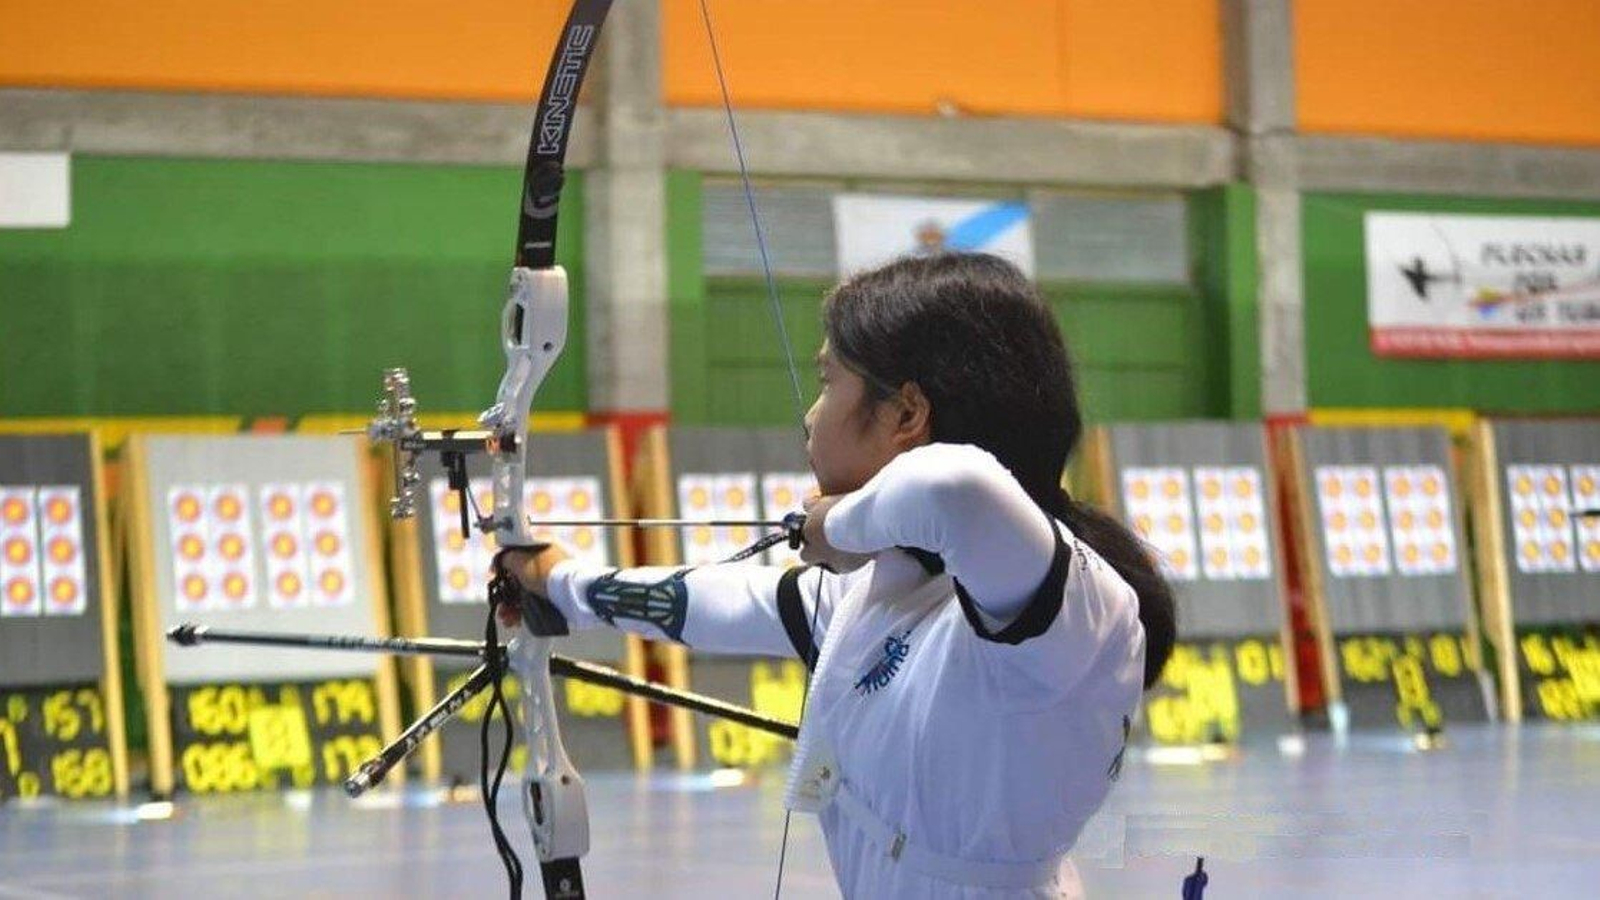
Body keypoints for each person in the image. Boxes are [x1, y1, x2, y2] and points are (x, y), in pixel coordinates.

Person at [496, 252, 1176, 898]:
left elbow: (957, 487)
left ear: (907, 414)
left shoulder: (1065, 608)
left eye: (828, 384)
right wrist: (562, 586)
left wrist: (834, 527)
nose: (810, 415)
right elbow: (726, 602)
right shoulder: (897, 585)